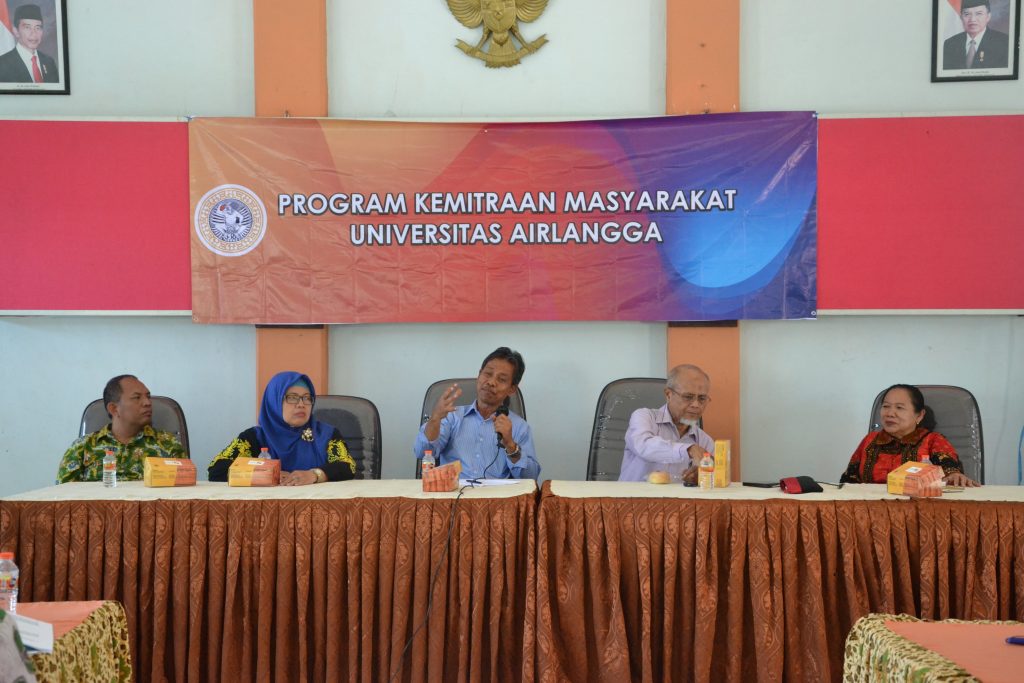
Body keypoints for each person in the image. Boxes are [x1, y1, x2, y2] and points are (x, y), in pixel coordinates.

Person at [413, 347, 540, 480]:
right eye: (487, 374)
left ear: (512, 389)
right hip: (453, 495)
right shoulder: (451, 417)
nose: (491, 382)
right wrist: (435, 419)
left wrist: (511, 446)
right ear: (479, 374)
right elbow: (422, 452)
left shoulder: (519, 427)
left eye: (501, 379)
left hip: (495, 498)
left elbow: (530, 478)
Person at [208, 371, 356, 484]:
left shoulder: (326, 435)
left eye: (307, 397)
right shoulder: (255, 437)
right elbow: (217, 470)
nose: (301, 404)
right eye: (292, 397)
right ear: (274, 402)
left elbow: (347, 467)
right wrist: (266, 473)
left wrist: (315, 475)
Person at [840, 384, 979, 486]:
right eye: (886, 406)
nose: (890, 413)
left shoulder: (933, 440)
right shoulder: (870, 440)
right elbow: (848, 482)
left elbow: (950, 470)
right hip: (870, 512)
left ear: (919, 415)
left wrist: (954, 475)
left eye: (899, 408)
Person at [57, 375, 187, 483]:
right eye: (137, 397)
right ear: (114, 408)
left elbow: (184, 494)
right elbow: (62, 500)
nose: (147, 402)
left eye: (148, 396)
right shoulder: (82, 448)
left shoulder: (168, 445)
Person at [619, 364, 715, 482]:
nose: (696, 405)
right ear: (668, 395)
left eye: (702, 398)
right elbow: (643, 446)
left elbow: (710, 482)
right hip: (632, 499)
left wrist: (701, 478)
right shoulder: (644, 417)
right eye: (688, 397)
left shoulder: (705, 442)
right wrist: (687, 450)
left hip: (676, 500)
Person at [942, 0, 1010, 70]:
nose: (973, 19)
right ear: (961, 17)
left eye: (979, 14)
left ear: (988, 16)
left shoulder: (1004, 43)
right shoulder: (950, 44)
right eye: (967, 14)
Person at [0, 4, 59, 83]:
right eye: (27, 27)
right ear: (16, 31)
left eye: (38, 28)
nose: (34, 33)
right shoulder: (3, 64)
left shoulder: (49, 62)